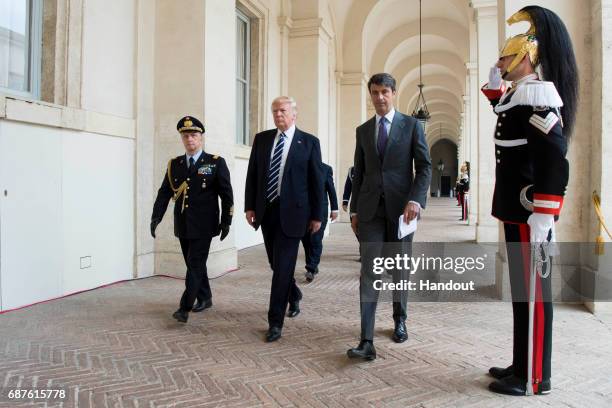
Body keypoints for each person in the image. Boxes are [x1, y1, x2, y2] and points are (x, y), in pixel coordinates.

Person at [481, 6, 578, 396]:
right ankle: (521, 362)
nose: (500, 62)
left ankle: (535, 378)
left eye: (506, 57)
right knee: (523, 294)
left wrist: (545, 211)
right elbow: (505, 113)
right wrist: (492, 89)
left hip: (529, 212)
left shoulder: (539, 99)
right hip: (515, 209)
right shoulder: (521, 95)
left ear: (524, 59)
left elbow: (554, 159)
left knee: (535, 296)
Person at [347, 73, 432, 360]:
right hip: (370, 211)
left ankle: (400, 318)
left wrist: (415, 200)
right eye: (374, 92)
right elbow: (359, 172)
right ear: (369, 94)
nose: (380, 97)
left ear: (394, 93)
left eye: (384, 91)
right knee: (369, 272)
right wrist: (355, 209)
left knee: (399, 270)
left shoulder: (411, 126)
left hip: (401, 212)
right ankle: (366, 339)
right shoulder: (363, 130)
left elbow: (424, 168)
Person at [244, 96, 324, 342]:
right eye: (275, 111)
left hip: (295, 214)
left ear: (294, 113)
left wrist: (317, 215)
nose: (278, 115)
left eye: (283, 110)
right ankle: (295, 294)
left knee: (281, 270)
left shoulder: (309, 142)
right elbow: (253, 175)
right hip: (267, 212)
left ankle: (274, 322)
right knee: (276, 265)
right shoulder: (262, 139)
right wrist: (249, 206)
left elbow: (316, 182)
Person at [151, 116, 234, 323]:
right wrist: (155, 217)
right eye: (186, 135)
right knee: (193, 264)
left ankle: (184, 307)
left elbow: (227, 195)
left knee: (195, 265)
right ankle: (205, 297)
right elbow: (164, 193)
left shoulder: (215, 163)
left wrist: (226, 221)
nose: (190, 139)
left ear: (201, 138)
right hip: (183, 225)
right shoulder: (175, 164)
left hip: (205, 225)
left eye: (194, 135)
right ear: (182, 138)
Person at [301, 162, 339, 282]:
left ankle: (311, 268)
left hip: (319, 211)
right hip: (303, 211)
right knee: (306, 240)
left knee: (316, 239)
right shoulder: (299, 167)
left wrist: (334, 209)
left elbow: (331, 190)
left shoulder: (326, 169)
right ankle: (312, 264)